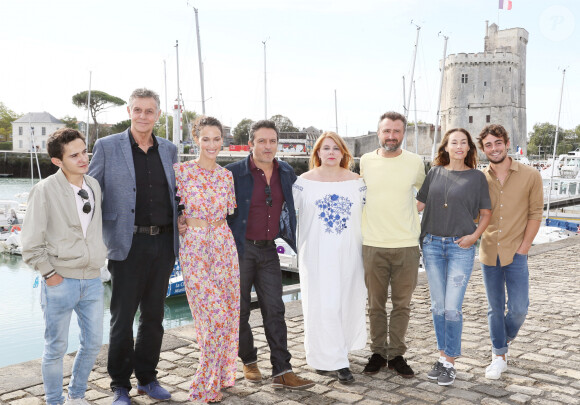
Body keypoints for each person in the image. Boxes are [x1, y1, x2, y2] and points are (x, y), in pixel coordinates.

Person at [89, 88, 179, 404]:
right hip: (125, 244)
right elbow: (90, 192)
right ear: (129, 111)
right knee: (122, 317)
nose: (143, 116)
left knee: (154, 316)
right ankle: (119, 385)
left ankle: (147, 378)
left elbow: (177, 195)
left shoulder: (169, 149)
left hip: (164, 244)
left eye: (149, 111)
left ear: (157, 113)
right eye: (138, 110)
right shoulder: (107, 146)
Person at [225, 120, 314, 390]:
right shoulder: (232, 173)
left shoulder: (286, 171)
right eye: (261, 141)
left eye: (272, 141)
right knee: (238, 311)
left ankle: (282, 371)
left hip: (269, 250)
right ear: (251, 143)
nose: (267, 146)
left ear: (277, 144)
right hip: (239, 250)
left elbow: (307, 197)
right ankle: (249, 360)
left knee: (275, 310)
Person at [21, 128, 107, 405]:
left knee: (93, 343)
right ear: (58, 161)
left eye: (84, 151)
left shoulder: (93, 185)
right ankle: (54, 401)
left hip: (93, 279)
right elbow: (31, 242)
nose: (83, 158)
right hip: (59, 280)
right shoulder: (43, 190)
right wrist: (49, 274)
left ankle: (77, 396)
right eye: (75, 155)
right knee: (56, 348)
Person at [416, 128, 491, 385]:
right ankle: (442, 358)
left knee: (452, 308)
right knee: (438, 307)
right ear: (445, 147)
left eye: (464, 142)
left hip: (461, 248)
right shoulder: (434, 172)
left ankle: (450, 362)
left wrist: (474, 237)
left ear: (469, 148)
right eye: (453, 142)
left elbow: (486, 213)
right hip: (432, 246)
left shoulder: (477, 177)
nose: (459, 146)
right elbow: (417, 204)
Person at [292, 132, 367, 384]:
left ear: (344, 152)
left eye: (336, 148)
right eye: (326, 148)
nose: (331, 152)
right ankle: (330, 360)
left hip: (348, 253)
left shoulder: (357, 182)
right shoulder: (303, 182)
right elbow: (287, 214)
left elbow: (370, 214)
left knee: (344, 301)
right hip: (315, 253)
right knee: (321, 304)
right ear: (318, 153)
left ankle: (339, 352)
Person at [174, 117, 240, 403]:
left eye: (216, 139)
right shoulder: (181, 172)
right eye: (206, 139)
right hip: (195, 249)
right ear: (196, 140)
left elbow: (230, 214)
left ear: (222, 141)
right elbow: (170, 208)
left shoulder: (227, 177)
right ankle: (204, 383)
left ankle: (222, 375)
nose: (211, 144)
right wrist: (178, 218)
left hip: (224, 247)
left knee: (228, 316)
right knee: (214, 317)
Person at [360, 111, 426, 378]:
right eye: (387, 131)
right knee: (375, 304)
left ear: (403, 134)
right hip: (373, 244)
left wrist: (411, 209)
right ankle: (377, 353)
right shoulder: (365, 161)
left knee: (402, 305)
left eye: (397, 131)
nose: (391, 136)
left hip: (407, 245)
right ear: (379, 133)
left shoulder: (415, 162)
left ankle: (396, 354)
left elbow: (426, 194)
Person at [477, 124, 543, 380]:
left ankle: (502, 340)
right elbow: (474, 215)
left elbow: (536, 213)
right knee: (494, 307)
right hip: (489, 251)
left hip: (517, 251)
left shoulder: (530, 175)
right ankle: (499, 356)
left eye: (498, 143)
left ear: (506, 143)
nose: (494, 149)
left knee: (518, 308)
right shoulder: (479, 179)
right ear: (483, 149)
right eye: (488, 145)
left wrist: (525, 247)